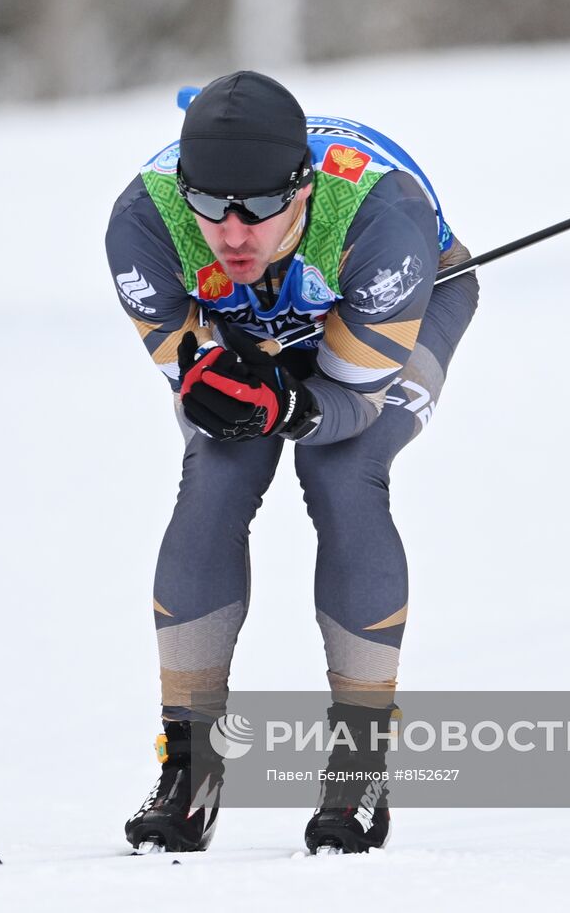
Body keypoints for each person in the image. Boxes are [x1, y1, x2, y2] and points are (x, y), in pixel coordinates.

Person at [105, 70, 479, 854]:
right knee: (218, 471)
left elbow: (351, 407)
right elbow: (202, 387)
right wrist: (230, 381)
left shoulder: (384, 224)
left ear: (303, 191)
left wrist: (296, 404)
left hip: (395, 306)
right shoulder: (144, 223)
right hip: (248, 324)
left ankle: (359, 766)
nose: (234, 234)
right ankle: (191, 768)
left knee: (343, 472)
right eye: (211, 207)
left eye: (262, 210)